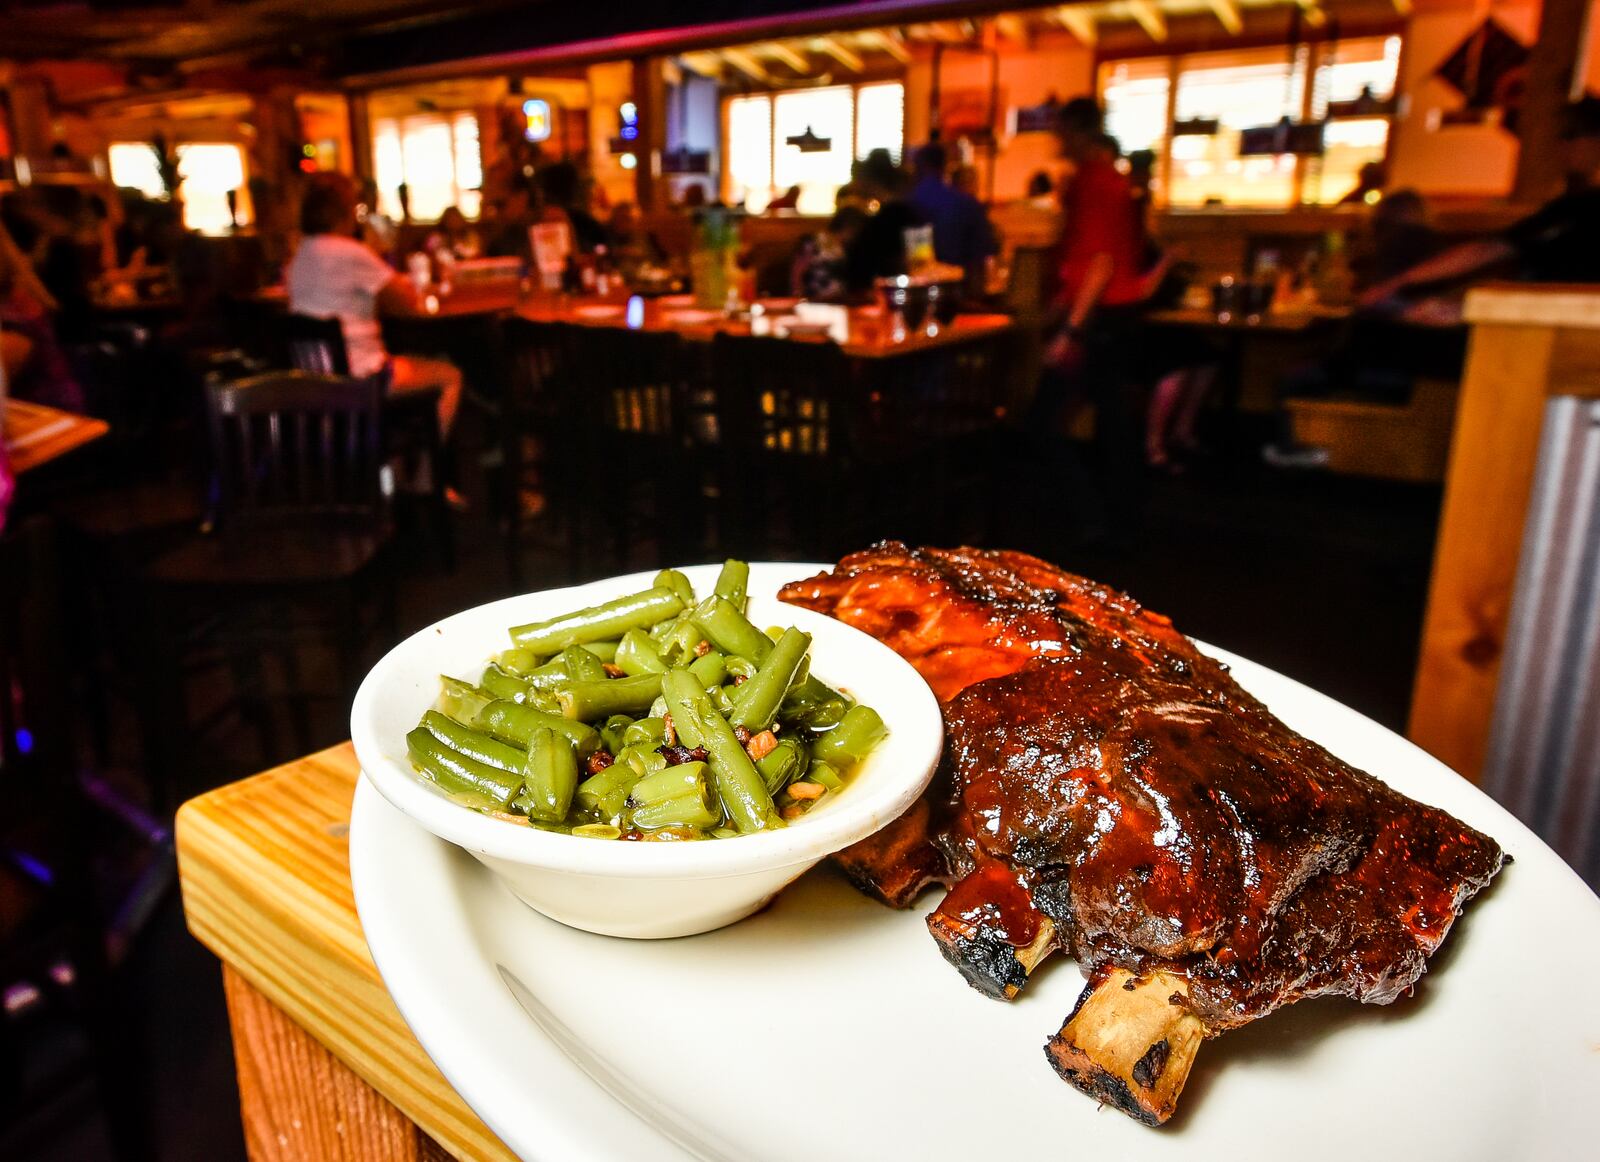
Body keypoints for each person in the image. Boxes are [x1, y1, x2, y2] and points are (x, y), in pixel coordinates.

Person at [1362, 97, 1600, 306]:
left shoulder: (1582, 208)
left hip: (1556, 328)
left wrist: (1396, 285)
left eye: (1570, 135)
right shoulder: (1573, 205)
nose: (1561, 146)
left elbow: (1491, 250)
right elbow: (1499, 247)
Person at [285, 174, 462, 438]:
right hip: (362, 377)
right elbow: (407, 303)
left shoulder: (301, 255)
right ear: (346, 213)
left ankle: (384, 459)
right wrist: (378, 254)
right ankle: (423, 474)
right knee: (449, 376)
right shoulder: (351, 252)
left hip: (312, 376)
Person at [905, 142, 995, 298]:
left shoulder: (910, 203)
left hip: (919, 292)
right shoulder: (968, 204)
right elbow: (981, 259)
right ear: (944, 166)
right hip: (959, 293)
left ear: (919, 166)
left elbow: (918, 262)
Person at [842, 149, 922, 294]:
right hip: (898, 290)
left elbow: (867, 264)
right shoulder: (908, 213)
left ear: (871, 180)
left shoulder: (889, 217)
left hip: (885, 293)